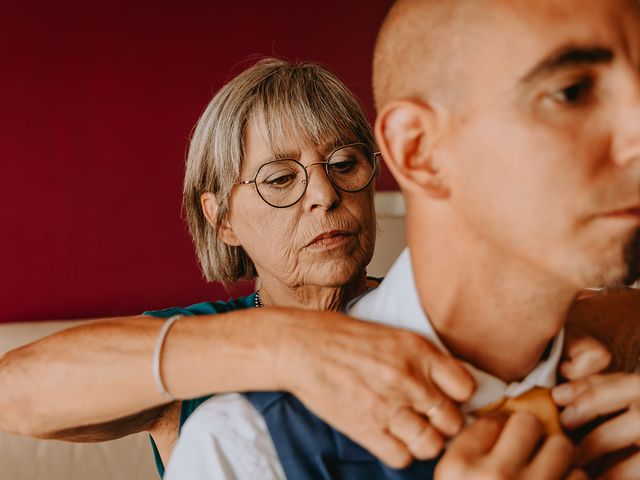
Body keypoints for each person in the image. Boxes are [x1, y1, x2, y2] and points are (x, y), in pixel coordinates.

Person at [164, 1, 640, 479]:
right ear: (418, 152)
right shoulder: (247, 443)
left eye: (346, 163)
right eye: (572, 92)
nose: (324, 197)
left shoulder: (609, 363)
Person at [0, 58, 483, 475]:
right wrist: (283, 346)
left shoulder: (433, 309)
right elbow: (14, 393)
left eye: (344, 162)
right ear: (222, 219)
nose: (324, 194)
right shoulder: (204, 339)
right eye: (278, 178)